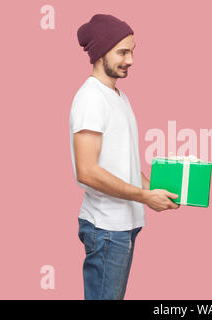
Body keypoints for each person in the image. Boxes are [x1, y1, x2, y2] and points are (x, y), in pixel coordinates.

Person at [69, 14, 179, 300]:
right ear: (100, 53)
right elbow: (87, 171)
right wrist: (144, 197)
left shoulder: (117, 96)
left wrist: (154, 189)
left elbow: (125, 165)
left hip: (123, 225)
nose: (130, 60)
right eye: (122, 52)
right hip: (106, 227)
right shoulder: (91, 99)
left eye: (132, 51)